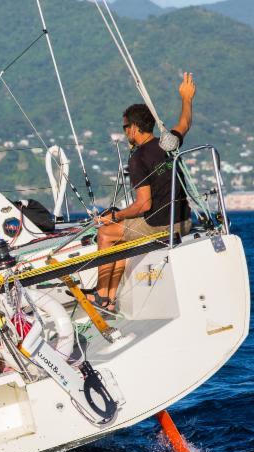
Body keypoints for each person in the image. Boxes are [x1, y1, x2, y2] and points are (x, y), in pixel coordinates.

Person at [91, 72, 196, 311]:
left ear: (135, 128)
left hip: (161, 225)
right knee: (118, 235)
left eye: (125, 126)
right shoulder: (167, 144)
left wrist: (115, 216)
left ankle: (100, 295)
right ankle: (108, 297)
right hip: (184, 220)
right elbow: (185, 123)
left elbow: (143, 205)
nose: (125, 131)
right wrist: (186, 97)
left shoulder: (138, 158)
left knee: (106, 234)